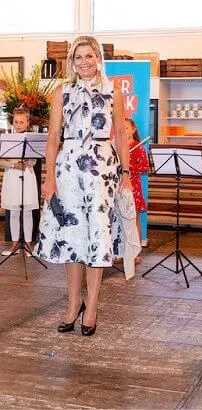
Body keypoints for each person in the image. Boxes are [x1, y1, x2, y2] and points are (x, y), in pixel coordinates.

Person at [35, 35, 132, 336]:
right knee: (72, 237)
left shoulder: (112, 91)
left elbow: (121, 133)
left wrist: (126, 173)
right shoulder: (61, 91)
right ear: (72, 62)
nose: (85, 62)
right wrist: (49, 176)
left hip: (102, 169)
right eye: (79, 57)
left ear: (98, 57)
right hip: (68, 169)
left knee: (98, 238)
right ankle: (74, 303)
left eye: (89, 56)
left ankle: (92, 308)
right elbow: (53, 138)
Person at [0, 107, 38, 256]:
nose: (18, 125)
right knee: (14, 212)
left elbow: (35, 160)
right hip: (12, 176)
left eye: (21, 122)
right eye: (16, 122)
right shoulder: (6, 139)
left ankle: (28, 244)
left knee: (27, 212)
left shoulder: (32, 139)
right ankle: (14, 245)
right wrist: (13, 164)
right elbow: (1, 161)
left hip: (27, 176)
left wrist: (28, 161)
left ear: (27, 122)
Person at [125, 117, 149, 263]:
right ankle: (122, 252)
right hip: (119, 186)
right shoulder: (116, 145)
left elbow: (145, 167)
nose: (124, 130)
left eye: (126, 127)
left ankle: (135, 253)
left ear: (133, 130)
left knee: (134, 221)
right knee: (121, 221)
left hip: (133, 187)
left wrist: (129, 167)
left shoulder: (138, 147)